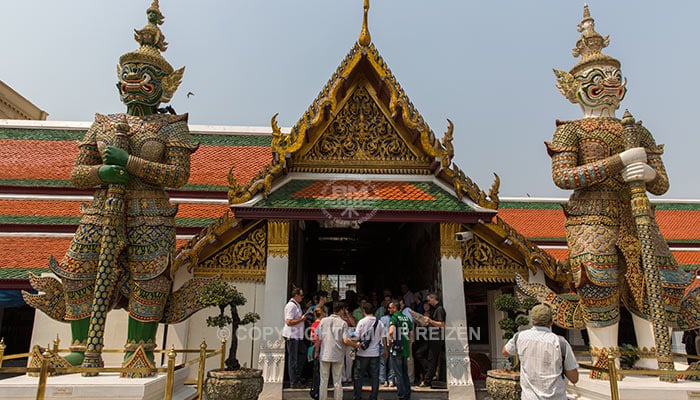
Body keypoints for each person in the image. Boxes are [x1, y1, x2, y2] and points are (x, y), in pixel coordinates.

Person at [22, 0, 206, 377]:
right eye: (131, 72)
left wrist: (129, 163)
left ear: (165, 87)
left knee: (149, 277)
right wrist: (105, 171)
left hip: (150, 212)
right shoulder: (103, 124)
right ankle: (79, 349)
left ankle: (139, 348)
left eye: (147, 75)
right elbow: (77, 173)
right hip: (100, 209)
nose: (137, 79)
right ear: (118, 79)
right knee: (79, 272)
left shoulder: (171, 128)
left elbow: (178, 176)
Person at [540, 4, 694, 373]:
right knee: (598, 286)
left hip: (636, 212)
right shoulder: (571, 130)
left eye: (615, 76)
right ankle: (604, 363)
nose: (609, 83)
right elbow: (563, 178)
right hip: (590, 218)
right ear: (575, 88)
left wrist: (647, 173)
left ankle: (656, 358)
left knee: (651, 284)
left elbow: (662, 182)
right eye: (599, 76)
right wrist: (619, 162)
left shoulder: (636, 130)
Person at [502, 304, 579, 400]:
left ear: (532, 320)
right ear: (551, 322)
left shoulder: (520, 337)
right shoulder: (560, 342)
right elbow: (574, 378)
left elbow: (505, 352)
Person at [317, 301, 357, 400]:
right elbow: (345, 340)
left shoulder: (323, 321)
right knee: (337, 381)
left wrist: (316, 352)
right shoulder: (343, 323)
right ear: (341, 310)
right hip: (338, 354)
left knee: (323, 381)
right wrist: (356, 345)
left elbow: (318, 338)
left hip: (325, 354)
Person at [352, 301, 386, 400]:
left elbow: (356, 336)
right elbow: (383, 337)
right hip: (375, 353)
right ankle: (373, 396)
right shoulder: (379, 322)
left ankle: (358, 396)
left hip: (362, 353)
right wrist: (385, 350)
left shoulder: (362, 322)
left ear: (364, 311)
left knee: (358, 376)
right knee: (375, 377)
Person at [419, 293, 446, 388]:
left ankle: (428, 380)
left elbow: (442, 324)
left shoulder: (439, 309)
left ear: (433, 298)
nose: (428, 302)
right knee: (422, 355)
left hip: (436, 337)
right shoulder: (435, 309)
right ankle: (431, 372)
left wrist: (430, 321)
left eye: (429, 300)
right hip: (431, 336)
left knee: (432, 358)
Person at [388, 300, 413, 400]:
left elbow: (391, 332)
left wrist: (390, 341)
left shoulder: (394, 318)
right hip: (405, 348)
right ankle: (407, 394)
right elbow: (411, 335)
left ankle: (401, 396)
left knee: (398, 374)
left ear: (395, 308)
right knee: (405, 373)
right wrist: (409, 348)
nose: (388, 309)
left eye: (390, 307)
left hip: (397, 349)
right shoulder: (407, 318)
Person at [283, 287, 307, 388]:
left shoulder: (297, 305)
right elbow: (288, 322)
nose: (302, 297)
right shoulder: (291, 306)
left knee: (303, 353)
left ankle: (296, 376)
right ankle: (294, 381)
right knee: (293, 359)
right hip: (292, 335)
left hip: (297, 336)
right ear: (296, 295)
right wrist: (301, 320)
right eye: (301, 295)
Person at [310, 307, 326, 400]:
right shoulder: (323, 324)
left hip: (317, 347)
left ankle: (317, 391)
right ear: (323, 314)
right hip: (322, 348)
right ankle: (319, 391)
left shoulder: (314, 324)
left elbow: (312, 337)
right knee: (321, 372)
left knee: (317, 371)